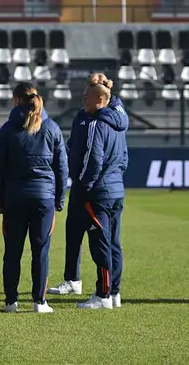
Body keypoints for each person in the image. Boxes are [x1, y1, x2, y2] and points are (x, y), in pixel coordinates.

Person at [48, 73, 128, 299]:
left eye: (86, 96)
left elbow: (95, 159)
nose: (82, 99)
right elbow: (122, 156)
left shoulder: (100, 121)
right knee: (77, 233)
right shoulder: (88, 116)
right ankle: (78, 281)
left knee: (103, 242)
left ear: (99, 98)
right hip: (100, 186)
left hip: (92, 189)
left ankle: (107, 292)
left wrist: (84, 183)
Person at [0, 82, 68, 313]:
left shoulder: (7, 129)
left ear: (16, 100)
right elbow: (62, 168)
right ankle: (39, 302)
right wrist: (59, 200)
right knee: (41, 250)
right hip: (43, 199)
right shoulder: (52, 127)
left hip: (14, 198)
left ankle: (11, 302)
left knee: (12, 251)